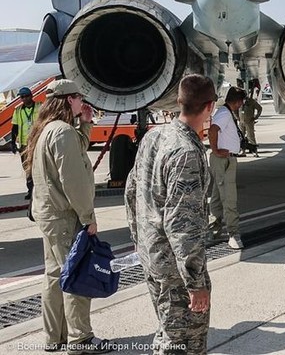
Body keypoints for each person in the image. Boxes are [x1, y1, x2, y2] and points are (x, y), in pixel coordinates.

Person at [125, 74, 216, 355]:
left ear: (179, 102)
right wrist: (195, 283)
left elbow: (132, 193)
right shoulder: (186, 151)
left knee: (168, 332)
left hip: (154, 257)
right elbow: (182, 224)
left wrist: (142, 244)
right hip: (176, 269)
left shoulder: (154, 137)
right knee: (183, 343)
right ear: (210, 106)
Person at [26, 79, 115, 354]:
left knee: (54, 275)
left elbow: (75, 151)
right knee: (76, 273)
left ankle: (55, 337)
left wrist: (85, 123)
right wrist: (88, 217)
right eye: (78, 97)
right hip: (65, 216)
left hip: (49, 215)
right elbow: (73, 180)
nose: (82, 101)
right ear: (68, 100)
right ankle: (81, 339)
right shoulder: (62, 132)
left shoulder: (47, 130)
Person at [207, 86, 246, 250]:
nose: (242, 105)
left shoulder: (226, 112)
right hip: (224, 160)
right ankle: (233, 234)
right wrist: (215, 149)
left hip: (224, 160)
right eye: (241, 102)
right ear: (237, 101)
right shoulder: (224, 114)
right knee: (229, 197)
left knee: (216, 196)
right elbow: (213, 130)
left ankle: (213, 230)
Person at [12, 86, 41, 200]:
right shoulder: (18, 111)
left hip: (37, 142)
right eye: (21, 97)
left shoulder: (40, 106)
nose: (23, 99)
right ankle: (30, 190)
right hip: (24, 144)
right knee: (27, 168)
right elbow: (14, 127)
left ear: (31, 96)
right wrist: (13, 143)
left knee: (39, 166)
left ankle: (40, 189)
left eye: (25, 96)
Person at [239, 84, 262, 155]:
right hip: (241, 121)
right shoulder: (239, 102)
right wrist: (237, 117)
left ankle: (255, 151)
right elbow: (236, 110)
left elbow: (259, 108)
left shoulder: (251, 101)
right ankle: (243, 151)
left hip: (249, 121)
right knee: (241, 137)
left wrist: (256, 117)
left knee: (251, 136)